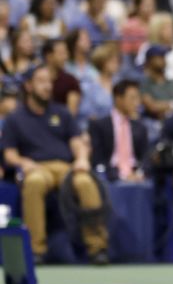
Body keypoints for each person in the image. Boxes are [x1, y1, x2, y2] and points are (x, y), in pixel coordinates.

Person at [2, 65, 109, 264]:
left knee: (86, 182)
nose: (47, 86)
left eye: (49, 81)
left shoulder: (62, 113)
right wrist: (23, 162)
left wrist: (82, 159)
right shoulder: (15, 119)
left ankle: (97, 247)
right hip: (38, 168)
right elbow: (9, 154)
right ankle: (36, 250)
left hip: (65, 168)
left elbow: (77, 142)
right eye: (41, 81)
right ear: (28, 86)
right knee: (34, 183)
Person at [88, 79, 148, 181]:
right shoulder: (99, 125)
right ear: (118, 98)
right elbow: (98, 159)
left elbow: (145, 157)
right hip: (110, 176)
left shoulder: (141, 128)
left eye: (138, 98)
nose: (137, 103)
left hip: (136, 176)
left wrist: (139, 173)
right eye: (132, 98)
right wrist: (120, 176)